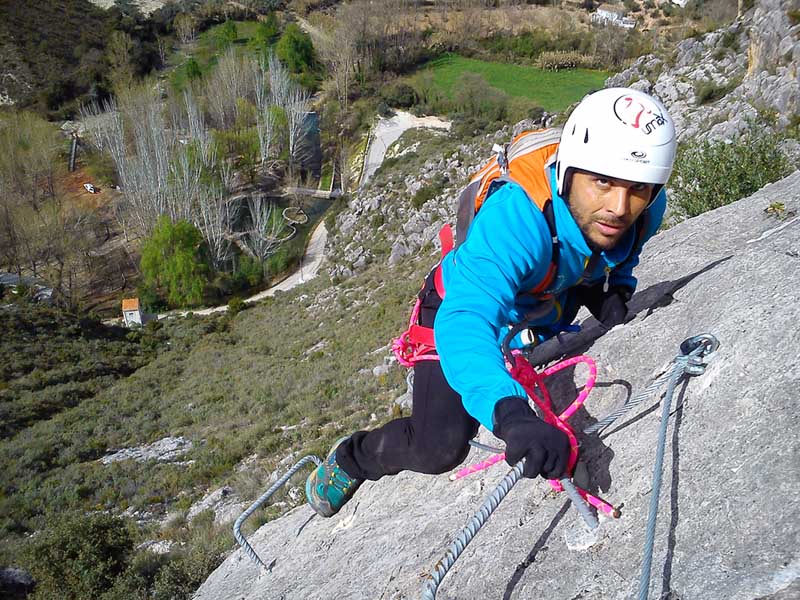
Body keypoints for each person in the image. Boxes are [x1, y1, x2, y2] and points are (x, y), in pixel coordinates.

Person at [305, 87, 678, 518]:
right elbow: (467, 320)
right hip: (458, 301)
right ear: (570, 171)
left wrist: (615, 286)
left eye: (637, 189)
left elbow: (624, 247)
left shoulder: (647, 206)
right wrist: (510, 414)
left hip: (542, 292)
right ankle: (352, 458)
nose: (619, 206)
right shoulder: (516, 219)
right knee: (438, 446)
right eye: (603, 182)